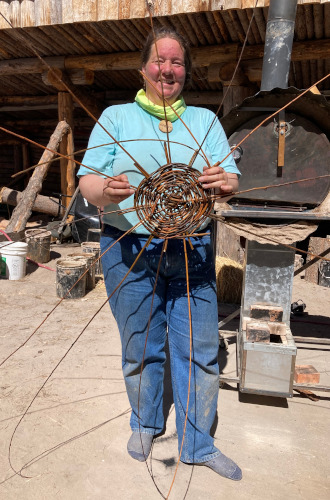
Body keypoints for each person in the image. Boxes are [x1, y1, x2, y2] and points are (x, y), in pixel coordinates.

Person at [78, 27, 242, 481]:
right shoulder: (116, 117)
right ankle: (145, 423)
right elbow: (87, 182)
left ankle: (198, 444)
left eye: (176, 63)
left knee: (201, 350)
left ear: (184, 71)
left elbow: (229, 177)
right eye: (159, 61)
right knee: (140, 348)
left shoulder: (205, 122)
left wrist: (226, 182)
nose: (167, 70)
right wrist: (105, 192)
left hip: (192, 249)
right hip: (127, 248)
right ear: (143, 67)